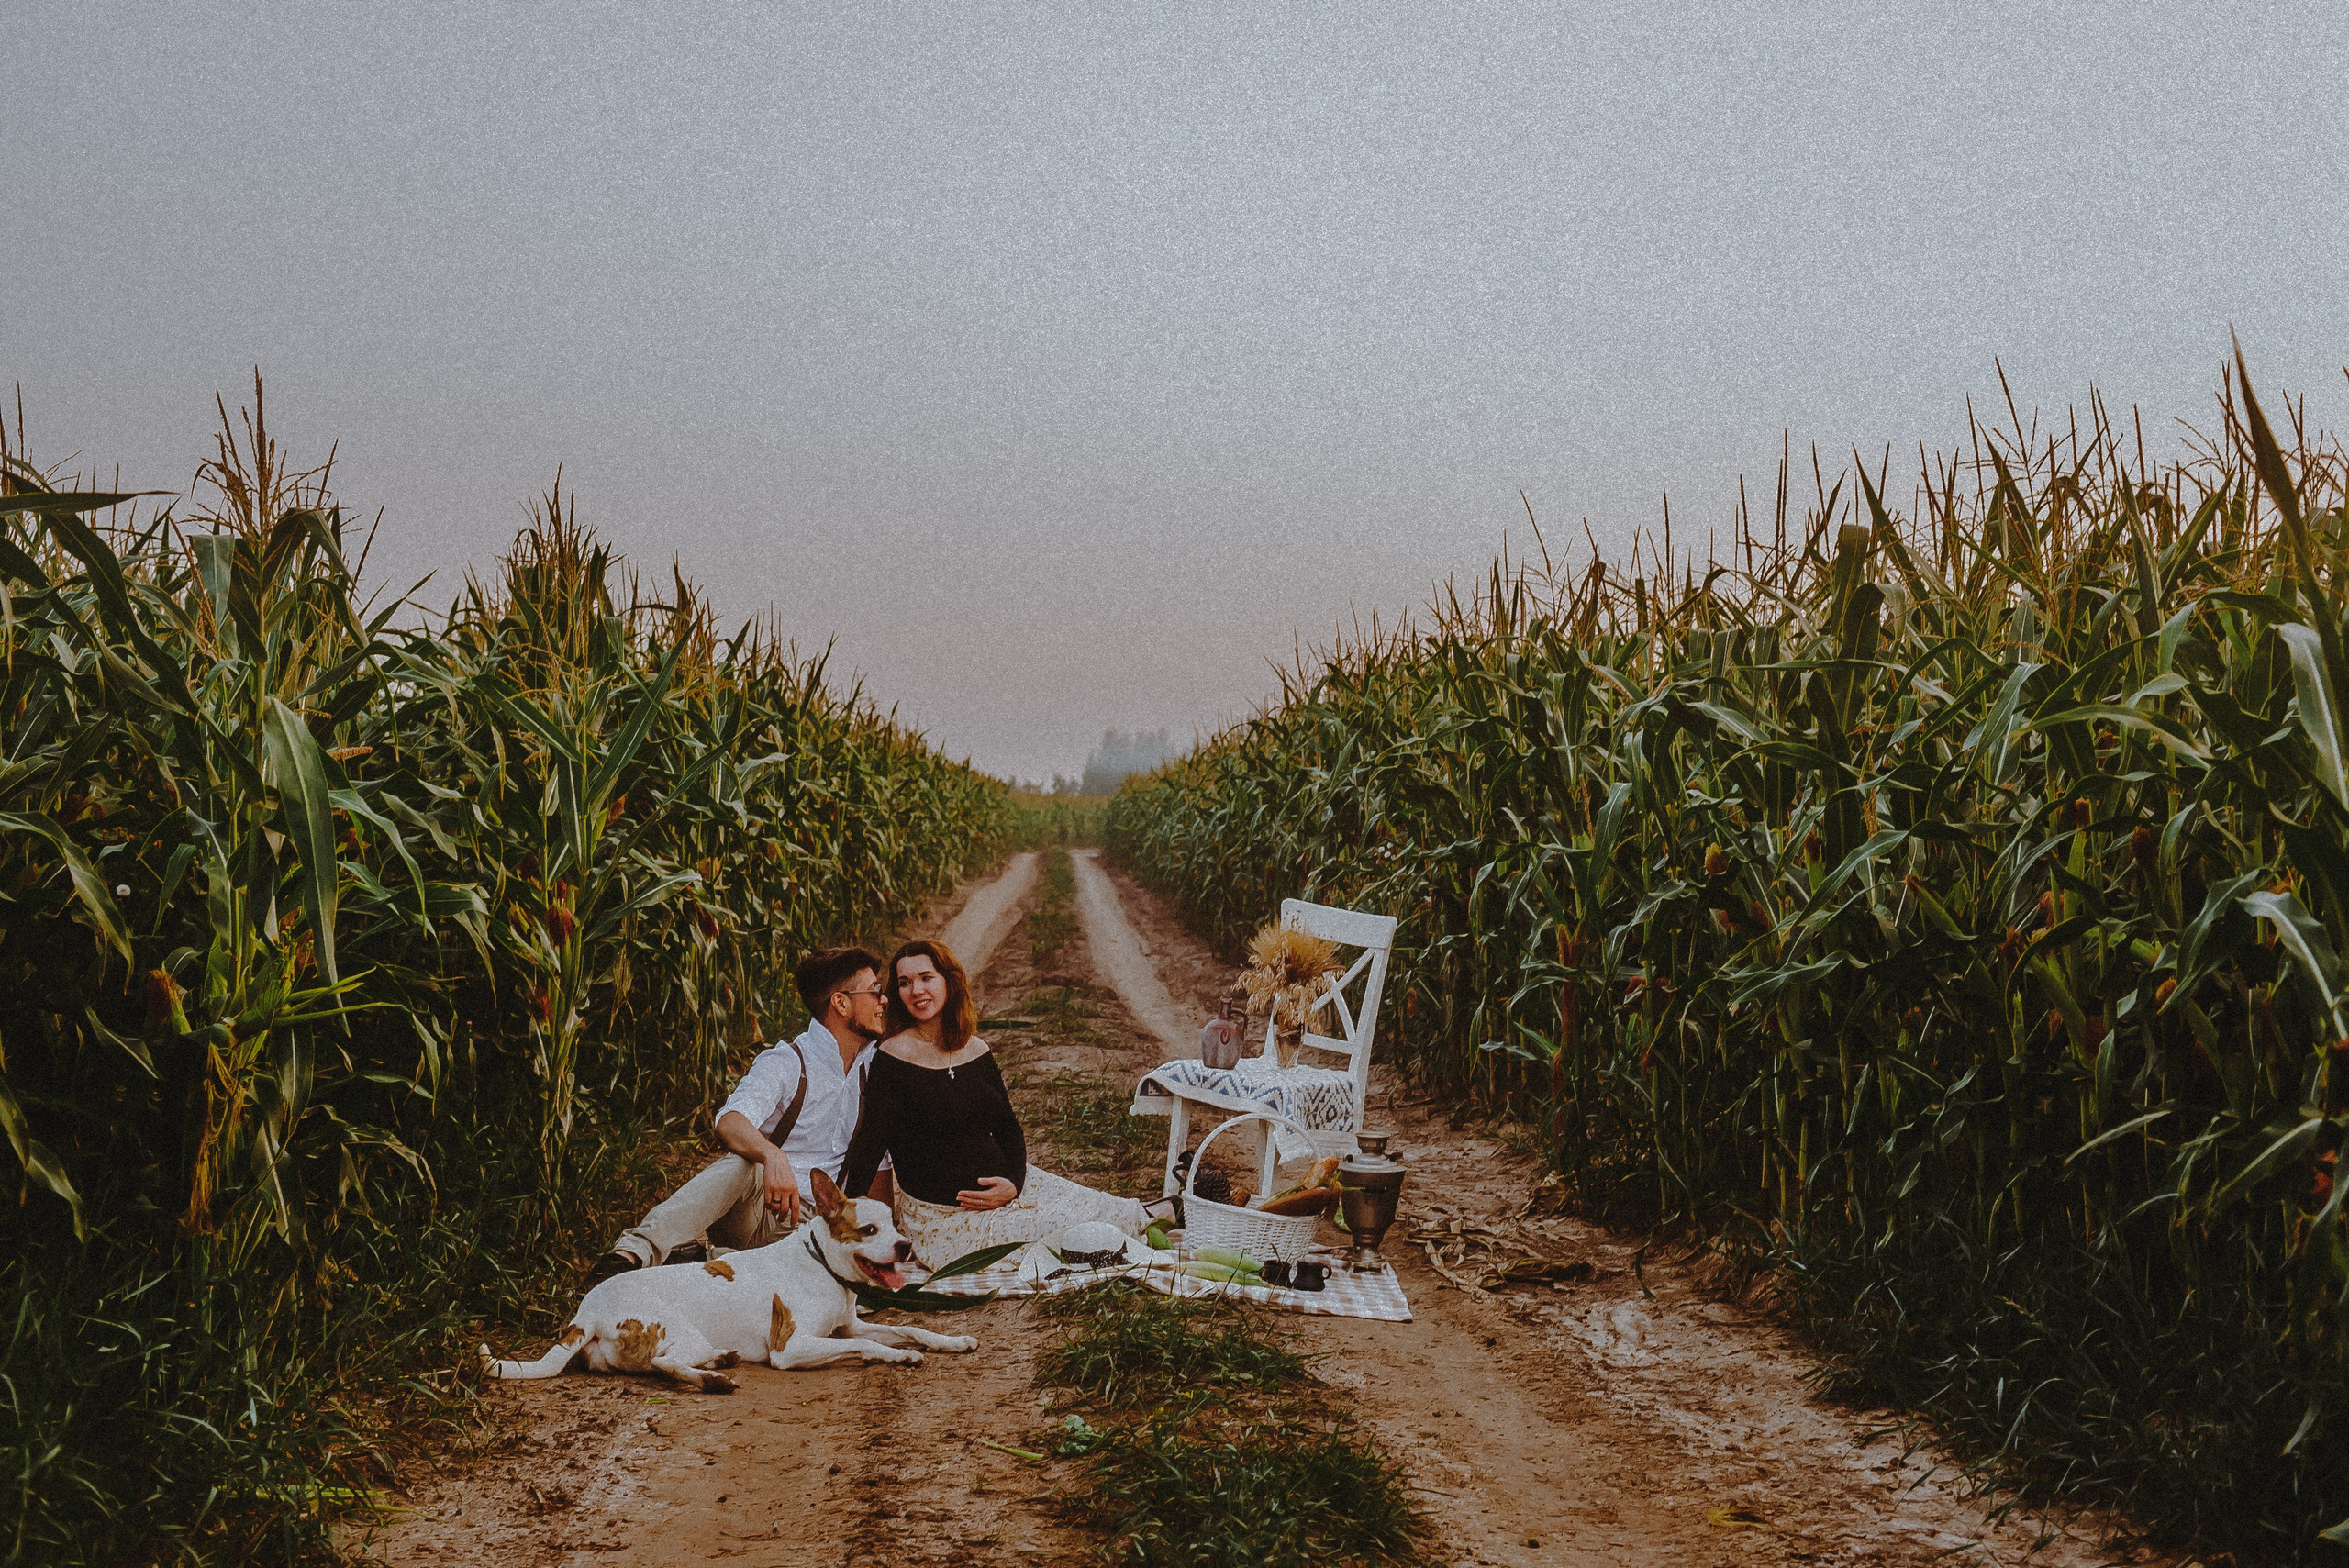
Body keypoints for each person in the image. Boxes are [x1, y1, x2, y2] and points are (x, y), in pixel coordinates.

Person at [585, 946, 891, 1284]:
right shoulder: (788, 1063)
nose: (884, 1000)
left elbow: (880, 1157)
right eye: (875, 991)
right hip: (766, 1213)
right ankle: (629, 1256)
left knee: (808, 1281)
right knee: (743, 1165)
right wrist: (771, 1155)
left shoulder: (874, 1066)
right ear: (840, 1002)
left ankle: (698, 1261)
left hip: (822, 1229)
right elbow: (730, 1121)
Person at [840, 937, 1145, 1264]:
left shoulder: (975, 1049)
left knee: (1120, 1211)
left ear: (948, 981)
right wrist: (843, 1218)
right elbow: (870, 1144)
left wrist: (1013, 1183)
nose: (916, 991)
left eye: (926, 977)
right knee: (1088, 1230)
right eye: (904, 983)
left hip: (1015, 1189)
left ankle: (1179, 1208)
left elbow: (1008, 1129)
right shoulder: (892, 1057)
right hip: (947, 1221)